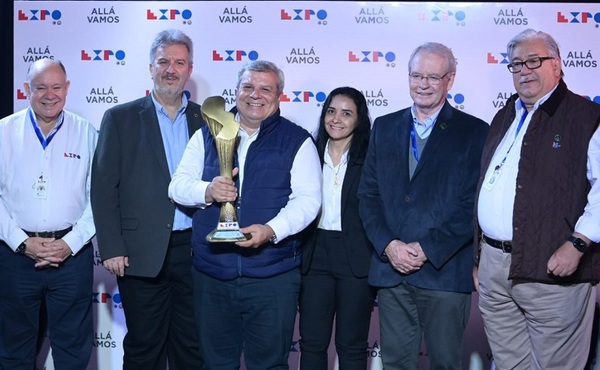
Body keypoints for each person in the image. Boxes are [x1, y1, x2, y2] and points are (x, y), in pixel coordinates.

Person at [168, 60, 321, 370]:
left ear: (280, 95)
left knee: (269, 365)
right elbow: (178, 186)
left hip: (272, 278)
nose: (255, 95)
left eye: (266, 89)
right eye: (248, 87)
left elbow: (308, 201)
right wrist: (208, 191)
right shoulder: (206, 135)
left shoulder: (298, 140)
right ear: (235, 91)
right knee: (215, 364)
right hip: (212, 275)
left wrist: (271, 229)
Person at [357, 42, 489, 370]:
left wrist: (426, 248)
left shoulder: (474, 131)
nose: (423, 84)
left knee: (445, 364)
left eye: (433, 76)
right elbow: (368, 196)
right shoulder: (384, 126)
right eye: (417, 75)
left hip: (443, 273)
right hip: (392, 271)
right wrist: (389, 246)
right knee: (395, 365)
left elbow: (472, 205)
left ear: (450, 79)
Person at [474, 28, 600, 370]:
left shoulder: (586, 116)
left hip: (553, 268)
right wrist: (479, 257)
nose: (524, 70)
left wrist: (578, 243)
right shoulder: (505, 115)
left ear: (557, 65)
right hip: (495, 268)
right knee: (509, 364)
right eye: (516, 64)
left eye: (534, 61)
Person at [91, 29, 203, 370]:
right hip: (140, 252)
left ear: (190, 68)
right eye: (164, 61)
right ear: (151, 68)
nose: (171, 69)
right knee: (144, 347)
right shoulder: (120, 118)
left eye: (179, 62)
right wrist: (111, 246)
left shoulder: (210, 119)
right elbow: (103, 187)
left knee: (192, 346)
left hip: (197, 251)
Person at [0, 59, 97, 369]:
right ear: (27, 89)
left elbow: (101, 198)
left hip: (71, 259)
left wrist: (70, 243)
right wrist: (21, 241)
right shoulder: (3, 132)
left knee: (72, 351)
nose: (49, 94)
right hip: (15, 257)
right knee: (14, 350)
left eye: (57, 87)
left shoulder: (87, 133)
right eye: (40, 87)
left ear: (67, 89)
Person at [299, 87, 376, 370]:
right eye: (331, 111)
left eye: (346, 113)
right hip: (314, 253)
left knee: (352, 346)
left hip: (355, 257)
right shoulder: (308, 150)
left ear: (359, 119)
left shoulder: (370, 156)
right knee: (312, 344)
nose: (336, 119)